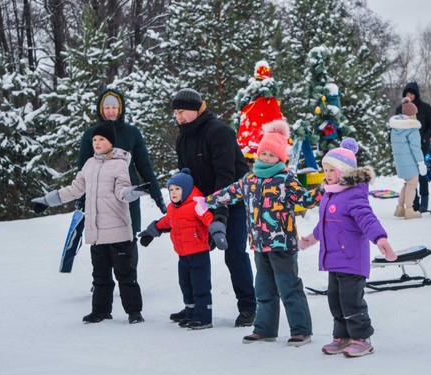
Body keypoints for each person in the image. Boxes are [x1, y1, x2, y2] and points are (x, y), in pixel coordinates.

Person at [195, 120, 323, 347]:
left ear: (280, 158)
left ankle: (301, 330)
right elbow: (229, 192)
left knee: (289, 287)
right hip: (258, 243)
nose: (265, 157)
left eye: (271, 155)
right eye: (262, 153)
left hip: (282, 244)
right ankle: (264, 329)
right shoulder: (250, 180)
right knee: (264, 289)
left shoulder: (286, 179)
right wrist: (207, 202)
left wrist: (324, 191)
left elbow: (305, 199)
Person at [32, 122, 150, 324]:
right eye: (94, 139)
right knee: (100, 275)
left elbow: (122, 191)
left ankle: (134, 312)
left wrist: (134, 193)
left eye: (101, 139)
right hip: (96, 231)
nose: (97, 143)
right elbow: (75, 189)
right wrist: (47, 201)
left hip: (118, 230)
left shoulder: (120, 163)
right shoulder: (89, 165)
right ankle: (101, 311)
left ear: (110, 142)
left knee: (125, 275)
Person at [298, 138, 397, 357]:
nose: (326, 174)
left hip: (352, 259)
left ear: (343, 171)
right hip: (334, 260)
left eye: (330, 170)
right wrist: (309, 240)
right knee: (335, 300)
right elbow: (323, 226)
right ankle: (342, 337)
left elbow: (367, 219)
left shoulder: (353, 195)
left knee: (351, 301)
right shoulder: (330, 194)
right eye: (325, 170)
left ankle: (362, 338)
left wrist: (380, 239)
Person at [171, 88, 257, 327]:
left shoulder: (219, 132)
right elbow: (185, 176)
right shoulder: (182, 138)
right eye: (176, 113)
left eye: (182, 111)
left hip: (233, 200)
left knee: (234, 253)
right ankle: (195, 307)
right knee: (191, 254)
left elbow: (226, 176)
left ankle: (248, 306)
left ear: (198, 109)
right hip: (200, 203)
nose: (179, 117)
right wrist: (182, 206)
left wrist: (220, 213)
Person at [78, 88, 166, 312]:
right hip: (98, 197)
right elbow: (83, 169)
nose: (110, 111)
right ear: (100, 109)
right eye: (106, 107)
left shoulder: (132, 133)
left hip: (127, 195)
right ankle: (101, 285)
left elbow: (144, 165)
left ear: (121, 109)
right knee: (101, 239)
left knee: (128, 235)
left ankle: (128, 281)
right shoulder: (91, 135)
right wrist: (81, 197)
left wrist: (156, 193)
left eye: (114, 107)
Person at [138, 168, 228, 330]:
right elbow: (165, 222)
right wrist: (150, 232)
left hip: (199, 253)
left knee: (200, 285)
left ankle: (203, 316)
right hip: (183, 255)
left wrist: (218, 233)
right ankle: (190, 311)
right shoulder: (173, 209)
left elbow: (209, 219)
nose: (173, 193)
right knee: (186, 284)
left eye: (177, 189)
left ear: (186, 189)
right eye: (171, 189)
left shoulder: (197, 205)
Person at [395, 82, 431, 212]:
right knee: (410, 177)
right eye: (407, 94)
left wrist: (425, 137)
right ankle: (413, 203)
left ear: (416, 95)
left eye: (412, 94)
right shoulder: (400, 109)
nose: (410, 96)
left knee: (422, 174)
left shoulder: (425, 108)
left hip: (422, 147)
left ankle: (424, 202)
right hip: (406, 149)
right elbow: (395, 128)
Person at [390, 98, 428, 219]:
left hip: (400, 162)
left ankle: (400, 208)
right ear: (412, 114)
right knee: (412, 185)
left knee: (407, 184)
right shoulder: (412, 129)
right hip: (410, 162)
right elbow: (416, 148)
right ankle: (409, 210)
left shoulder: (395, 128)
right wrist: (421, 163)